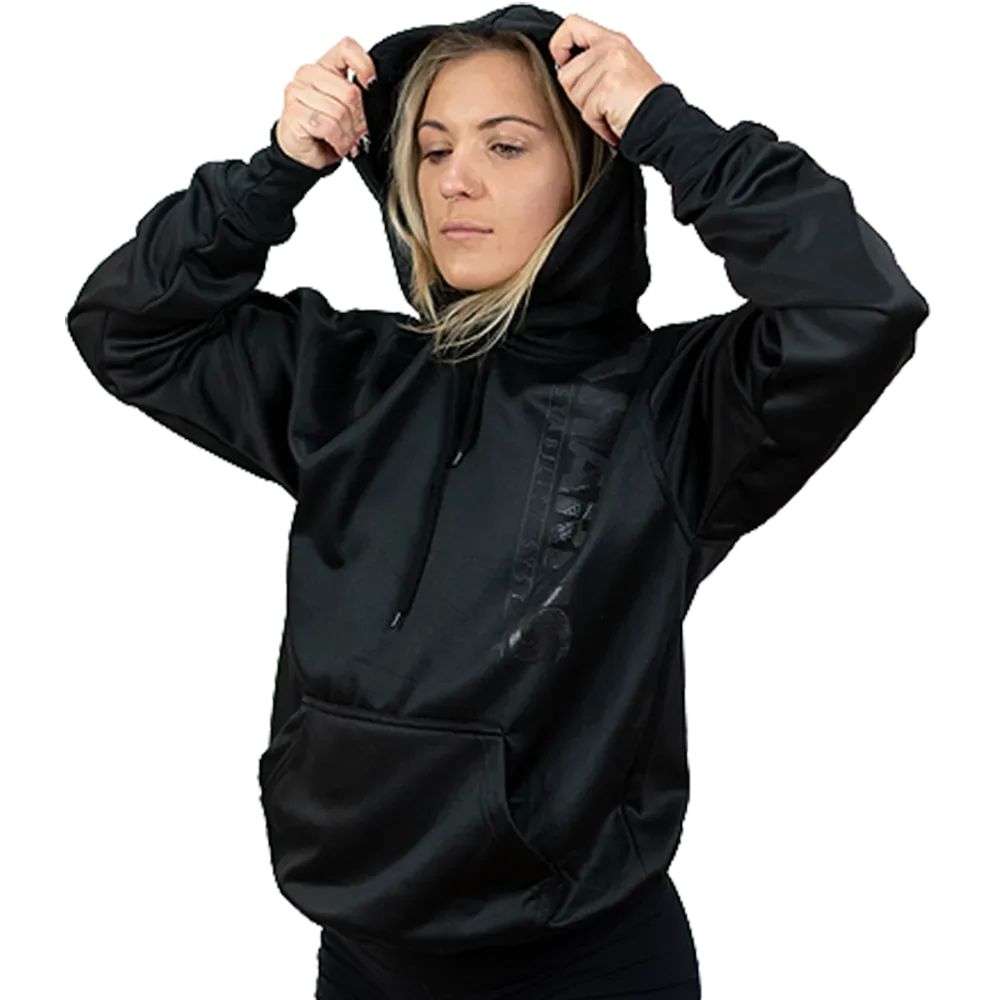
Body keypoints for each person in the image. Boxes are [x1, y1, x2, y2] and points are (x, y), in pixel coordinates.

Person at [65, 3, 928, 997]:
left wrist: (664, 126)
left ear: (587, 172)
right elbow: (127, 327)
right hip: (360, 952)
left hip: (578, 963)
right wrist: (280, 166)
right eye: (432, 150)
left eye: (506, 146)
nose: (454, 181)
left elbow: (858, 308)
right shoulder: (340, 380)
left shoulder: (675, 409)